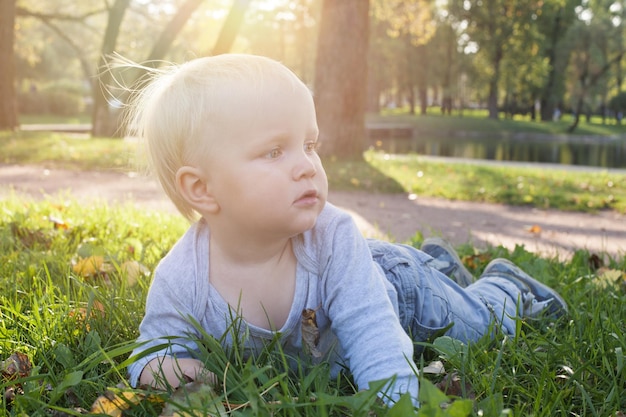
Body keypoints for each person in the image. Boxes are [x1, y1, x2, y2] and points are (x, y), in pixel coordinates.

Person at [125, 54, 567, 407]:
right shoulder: (183, 277)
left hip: (404, 296)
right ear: (201, 188)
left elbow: (373, 327)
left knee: (477, 325)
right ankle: (441, 262)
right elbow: (151, 351)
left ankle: (506, 287)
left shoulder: (330, 237)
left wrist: (396, 403)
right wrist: (172, 370)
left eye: (310, 145)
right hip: (384, 276)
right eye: (275, 151)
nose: (307, 166)